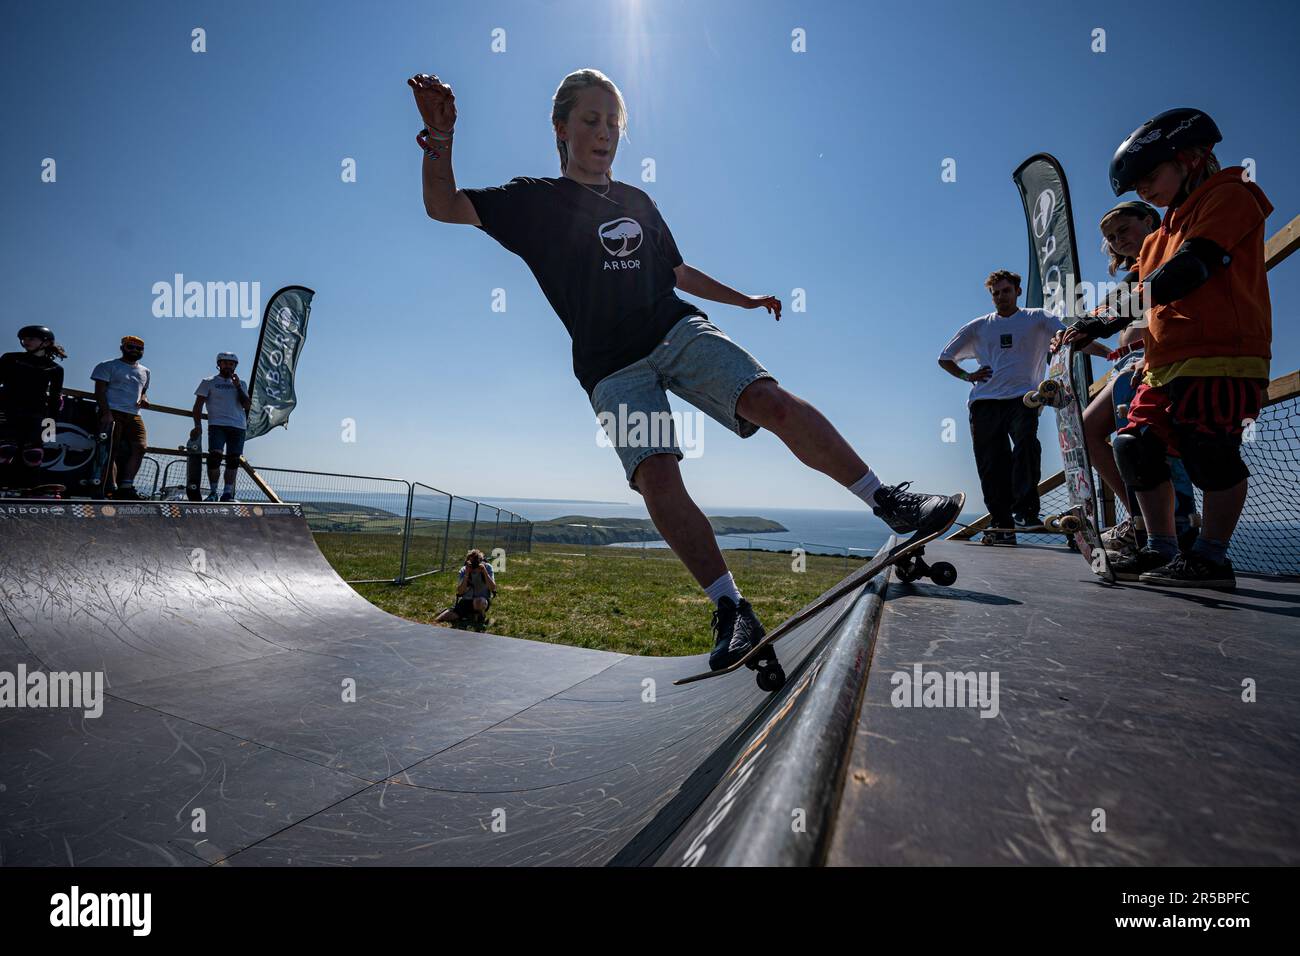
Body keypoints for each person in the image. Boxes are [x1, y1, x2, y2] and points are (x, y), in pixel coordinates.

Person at [410, 68, 963, 670]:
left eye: (613, 125)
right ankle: (731, 609)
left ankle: (887, 501)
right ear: (561, 128)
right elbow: (445, 205)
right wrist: (440, 138)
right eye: (591, 121)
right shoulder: (533, 201)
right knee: (657, 474)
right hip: (610, 369)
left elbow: (678, 273)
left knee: (769, 400)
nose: (604, 135)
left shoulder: (637, 201)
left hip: (675, 330)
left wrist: (746, 300)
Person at [1104, 108, 1272, 589]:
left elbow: (1191, 268)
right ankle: (1160, 549)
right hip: (1165, 362)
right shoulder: (1159, 234)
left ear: (1188, 158)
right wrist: (1080, 326)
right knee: (1133, 446)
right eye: (1137, 186)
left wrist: (1120, 311)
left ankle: (1212, 558)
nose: (1144, 192)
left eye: (1150, 177)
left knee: (1209, 451)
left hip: (1223, 355)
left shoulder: (1231, 197)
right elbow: (1130, 292)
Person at [1058, 201, 1199, 559]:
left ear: (1149, 221)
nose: (1117, 240)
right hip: (1131, 363)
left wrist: (1151, 354)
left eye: (1123, 230)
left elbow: (1180, 309)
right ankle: (1139, 521)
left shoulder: (1173, 252)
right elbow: (1116, 303)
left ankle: (1176, 528)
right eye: (1110, 237)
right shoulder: (1139, 270)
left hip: (1162, 360)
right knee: (1089, 433)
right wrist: (1078, 330)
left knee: (1157, 444)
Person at [938, 271, 1064, 544]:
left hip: (1023, 398)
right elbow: (945, 358)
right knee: (992, 464)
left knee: (1026, 445)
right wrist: (967, 376)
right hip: (984, 403)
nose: (1000, 297)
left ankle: (1026, 513)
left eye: (1005, 291)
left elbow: (1066, 335)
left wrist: (1106, 352)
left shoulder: (1038, 318)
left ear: (1017, 291)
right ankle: (1001, 525)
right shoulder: (978, 326)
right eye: (995, 293)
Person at [0, 326, 66, 489]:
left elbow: (54, 398)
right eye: (24, 339)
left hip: (36, 414)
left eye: (31, 338)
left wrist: (51, 425)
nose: (26, 342)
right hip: (8, 411)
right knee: (6, 450)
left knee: (33, 454)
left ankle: (27, 488)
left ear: (46, 343)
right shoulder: (10, 358)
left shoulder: (55, 369)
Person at [91, 335, 151, 500]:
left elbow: (143, 390)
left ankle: (127, 485)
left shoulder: (145, 371)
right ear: (122, 347)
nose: (135, 351)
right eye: (131, 347)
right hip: (112, 411)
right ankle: (110, 487)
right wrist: (106, 413)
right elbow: (100, 391)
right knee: (111, 449)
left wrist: (144, 398)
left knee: (140, 447)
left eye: (139, 349)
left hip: (134, 415)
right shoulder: (107, 366)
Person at [192, 352, 251, 501]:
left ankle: (227, 493)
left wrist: (237, 386)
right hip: (217, 425)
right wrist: (197, 425)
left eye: (231, 364)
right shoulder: (208, 381)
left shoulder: (241, 383)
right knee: (214, 457)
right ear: (219, 364)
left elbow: (247, 405)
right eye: (225, 363)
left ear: (235, 366)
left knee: (233, 460)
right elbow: (198, 406)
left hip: (238, 426)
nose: (228, 366)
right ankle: (213, 492)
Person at [436, 549, 497, 624]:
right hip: (466, 600)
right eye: (472, 562)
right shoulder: (464, 570)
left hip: (482, 600)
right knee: (443, 618)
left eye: (476, 562)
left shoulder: (487, 568)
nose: (474, 565)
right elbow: (460, 591)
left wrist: (484, 572)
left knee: (478, 602)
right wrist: (467, 574)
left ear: (481, 562)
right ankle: (469, 615)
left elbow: (493, 588)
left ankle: (481, 615)